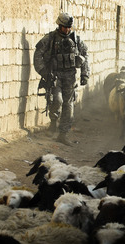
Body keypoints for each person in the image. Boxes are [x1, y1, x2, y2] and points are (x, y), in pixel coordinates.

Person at [34, 12, 90, 146]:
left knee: (68, 106)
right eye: (64, 27)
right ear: (59, 25)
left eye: (69, 27)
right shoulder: (50, 38)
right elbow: (38, 55)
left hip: (70, 76)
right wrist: (44, 72)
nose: (67, 30)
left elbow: (85, 56)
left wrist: (85, 74)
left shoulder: (76, 39)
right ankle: (53, 122)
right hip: (55, 75)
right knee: (57, 100)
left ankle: (63, 134)